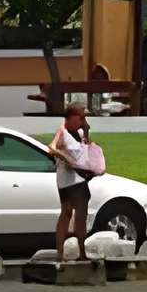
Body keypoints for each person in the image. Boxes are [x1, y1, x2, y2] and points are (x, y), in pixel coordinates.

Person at [47, 104, 102, 261]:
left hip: (75, 179)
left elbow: (86, 149)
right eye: (81, 117)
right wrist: (67, 159)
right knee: (75, 215)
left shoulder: (77, 133)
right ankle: (78, 253)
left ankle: (67, 252)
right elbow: (50, 149)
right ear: (71, 117)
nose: (83, 121)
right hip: (71, 181)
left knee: (70, 214)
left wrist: (85, 131)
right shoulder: (62, 132)